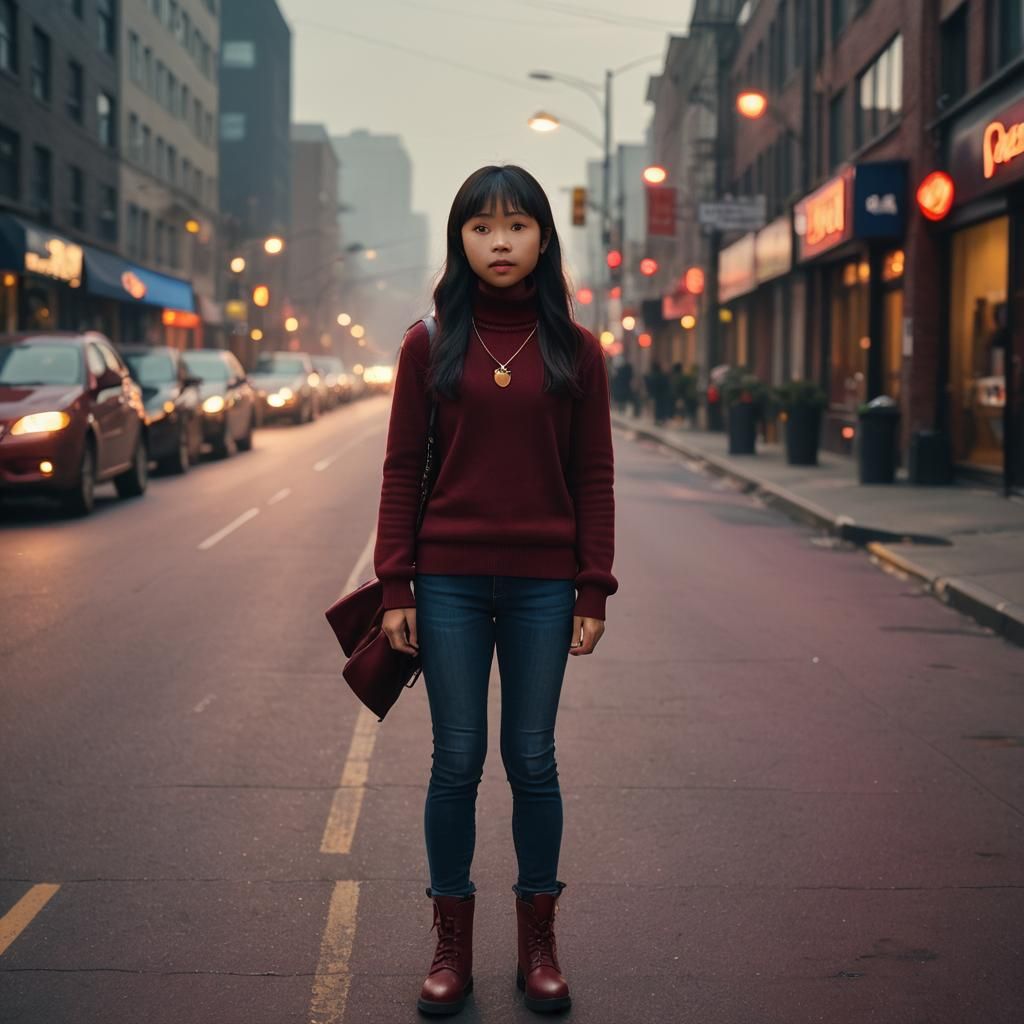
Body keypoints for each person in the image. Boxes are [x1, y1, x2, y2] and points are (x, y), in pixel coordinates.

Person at [373, 164, 618, 1016]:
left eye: (516, 226)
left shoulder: (577, 350)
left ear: (544, 238)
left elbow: (594, 477)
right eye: (482, 228)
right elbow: (403, 468)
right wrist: (394, 581)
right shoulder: (428, 341)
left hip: (545, 585)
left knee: (532, 758)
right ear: (461, 241)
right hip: (445, 582)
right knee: (457, 759)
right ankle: (451, 947)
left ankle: (539, 944)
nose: (500, 242)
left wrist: (593, 590)